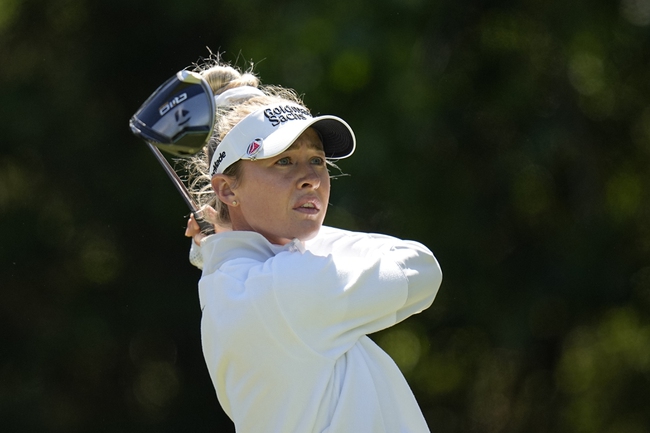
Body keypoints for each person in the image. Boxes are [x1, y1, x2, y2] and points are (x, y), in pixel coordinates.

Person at [182, 56, 443, 433]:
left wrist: (228, 241)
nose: (310, 178)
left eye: (317, 160)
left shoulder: (226, 286)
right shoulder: (288, 286)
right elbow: (421, 268)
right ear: (227, 188)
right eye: (284, 161)